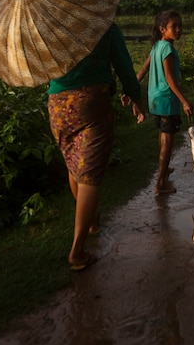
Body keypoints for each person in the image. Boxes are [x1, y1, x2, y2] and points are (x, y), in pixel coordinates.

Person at [47, 21, 146, 271]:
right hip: (91, 102)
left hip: (57, 104)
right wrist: (135, 96)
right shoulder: (104, 27)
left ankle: (91, 222)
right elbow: (124, 67)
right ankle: (77, 251)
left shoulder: (56, 27)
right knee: (88, 175)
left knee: (74, 165)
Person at [136, 10, 193, 194]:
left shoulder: (156, 47)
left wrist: (131, 89)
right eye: (173, 26)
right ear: (162, 29)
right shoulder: (167, 49)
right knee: (168, 143)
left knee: (162, 136)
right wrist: (184, 101)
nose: (178, 29)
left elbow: (143, 69)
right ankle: (161, 183)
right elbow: (170, 78)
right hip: (167, 101)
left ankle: (164, 170)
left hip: (155, 100)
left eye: (180, 26)